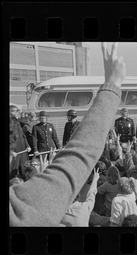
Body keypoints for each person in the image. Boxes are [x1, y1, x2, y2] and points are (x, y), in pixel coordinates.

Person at [10, 42, 126, 226]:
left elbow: (59, 139)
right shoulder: (26, 207)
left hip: (50, 150)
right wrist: (112, 85)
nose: (71, 119)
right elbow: (79, 151)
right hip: (46, 151)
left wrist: (56, 147)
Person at [9, 105, 31, 180]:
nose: (18, 113)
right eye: (16, 111)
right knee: (12, 172)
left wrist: (27, 146)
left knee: (26, 169)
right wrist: (11, 152)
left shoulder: (17, 122)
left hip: (23, 151)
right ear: (11, 112)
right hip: (15, 152)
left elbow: (22, 135)